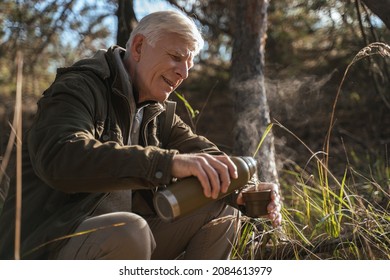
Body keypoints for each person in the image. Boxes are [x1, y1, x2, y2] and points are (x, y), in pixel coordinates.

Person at [0, 10, 281, 260]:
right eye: (176, 57)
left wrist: (243, 189)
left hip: (126, 242)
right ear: (138, 47)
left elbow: (209, 155)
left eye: (189, 66)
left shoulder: (158, 114)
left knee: (222, 214)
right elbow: (61, 157)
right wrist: (168, 164)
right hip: (46, 246)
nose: (183, 73)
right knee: (130, 231)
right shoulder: (78, 88)